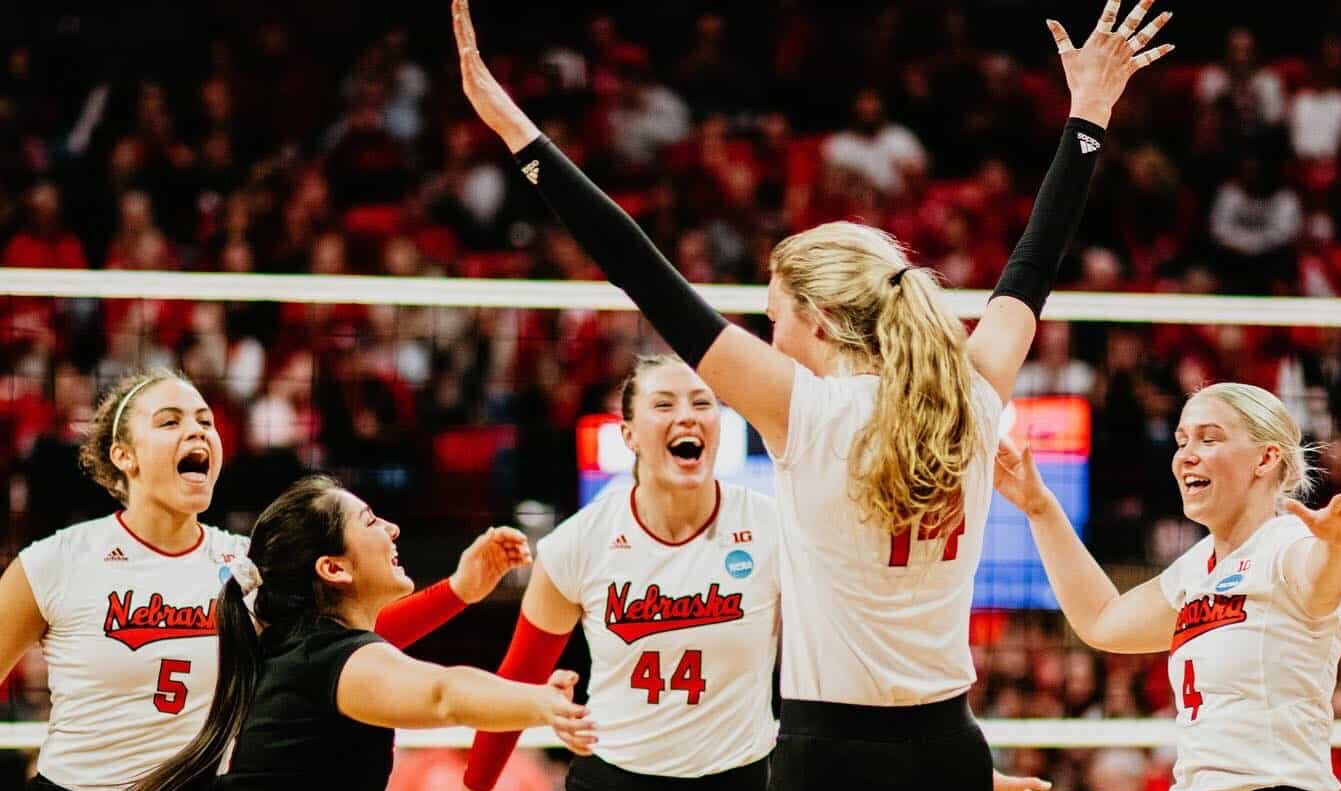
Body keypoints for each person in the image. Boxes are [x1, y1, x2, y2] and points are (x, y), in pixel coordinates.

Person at [451, 0, 1172, 787]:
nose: (767, 334)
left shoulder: (805, 410)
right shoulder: (974, 389)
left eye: (773, 315)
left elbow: (640, 269)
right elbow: (1031, 268)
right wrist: (1089, 117)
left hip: (828, 751)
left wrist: (518, 135)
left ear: (820, 319)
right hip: (950, 746)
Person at [0, 369, 524, 791]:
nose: (197, 430)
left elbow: (343, 652)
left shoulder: (246, 562)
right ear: (124, 456)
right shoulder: (57, 561)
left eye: (205, 419)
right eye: (170, 421)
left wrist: (458, 591)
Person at [992, 382, 1341, 791]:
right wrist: (1039, 507)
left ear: (1266, 457)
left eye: (1209, 439)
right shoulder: (1196, 568)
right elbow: (1102, 621)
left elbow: (1321, 585)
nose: (1186, 455)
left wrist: (1335, 546)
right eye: (1182, 440)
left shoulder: (1288, 542)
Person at [129, 476, 594, 791]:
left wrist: (460, 590)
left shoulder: (295, 647)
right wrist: (540, 704)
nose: (392, 529)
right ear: (333, 568)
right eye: (370, 521)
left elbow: (372, 641)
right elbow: (442, 694)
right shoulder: (327, 659)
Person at [464, 355, 780, 790]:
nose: (686, 416)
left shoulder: (772, 528)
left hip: (737, 777)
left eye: (702, 404)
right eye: (665, 405)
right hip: (615, 777)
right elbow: (518, 678)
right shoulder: (580, 543)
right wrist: (474, 786)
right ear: (628, 434)